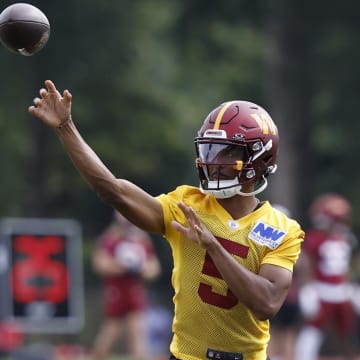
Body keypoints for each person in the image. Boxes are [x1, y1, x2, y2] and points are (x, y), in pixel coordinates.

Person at [28, 80, 305, 360]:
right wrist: (66, 129)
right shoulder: (187, 204)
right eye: (210, 149)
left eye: (227, 151)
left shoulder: (283, 229)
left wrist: (214, 247)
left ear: (258, 157)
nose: (213, 161)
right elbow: (112, 190)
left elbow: (267, 303)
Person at [294, 193, 359, 360]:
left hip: (342, 290)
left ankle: (349, 356)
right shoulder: (316, 238)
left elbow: (345, 266)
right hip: (322, 289)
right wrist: (308, 288)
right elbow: (308, 264)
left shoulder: (345, 237)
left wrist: (350, 286)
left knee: (346, 330)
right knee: (314, 328)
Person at [92, 211, 161, 360]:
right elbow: (100, 264)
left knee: (138, 332)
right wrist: (122, 267)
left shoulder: (142, 239)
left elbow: (154, 268)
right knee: (110, 332)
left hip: (135, 290)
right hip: (116, 290)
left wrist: (141, 269)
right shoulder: (110, 238)